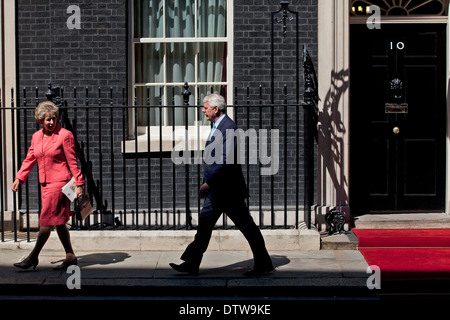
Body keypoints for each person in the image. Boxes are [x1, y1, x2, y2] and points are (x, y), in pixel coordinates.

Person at [170, 94, 274, 276]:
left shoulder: (229, 128)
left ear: (216, 109)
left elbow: (224, 160)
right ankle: (191, 263)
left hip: (227, 191)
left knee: (247, 228)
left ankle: (263, 263)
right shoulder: (219, 126)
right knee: (204, 226)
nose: (203, 111)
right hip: (218, 190)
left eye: (206, 108)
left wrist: (208, 183)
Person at [11, 101, 85, 270]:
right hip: (45, 184)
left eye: (54, 118)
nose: (51, 122)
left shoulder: (64, 135)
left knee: (45, 221)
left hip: (60, 184)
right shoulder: (36, 137)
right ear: (40, 121)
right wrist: (19, 177)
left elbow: (72, 161)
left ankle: (33, 257)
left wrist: (79, 183)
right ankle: (70, 255)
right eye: (47, 120)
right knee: (58, 221)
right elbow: (30, 158)